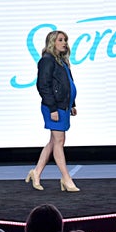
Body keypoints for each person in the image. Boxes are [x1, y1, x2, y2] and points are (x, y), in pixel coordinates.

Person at [25, 30, 80, 192]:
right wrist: (52, 108)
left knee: (54, 142)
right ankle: (66, 178)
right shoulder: (47, 60)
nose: (64, 43)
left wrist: (73, 104)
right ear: (52, 42)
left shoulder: (62, 61)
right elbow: (43, 85)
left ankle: (36, 172)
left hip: (63, 106)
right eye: (60, 40)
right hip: (53, 107)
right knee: (59, 141)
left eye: (65, 40)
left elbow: (68, 84)